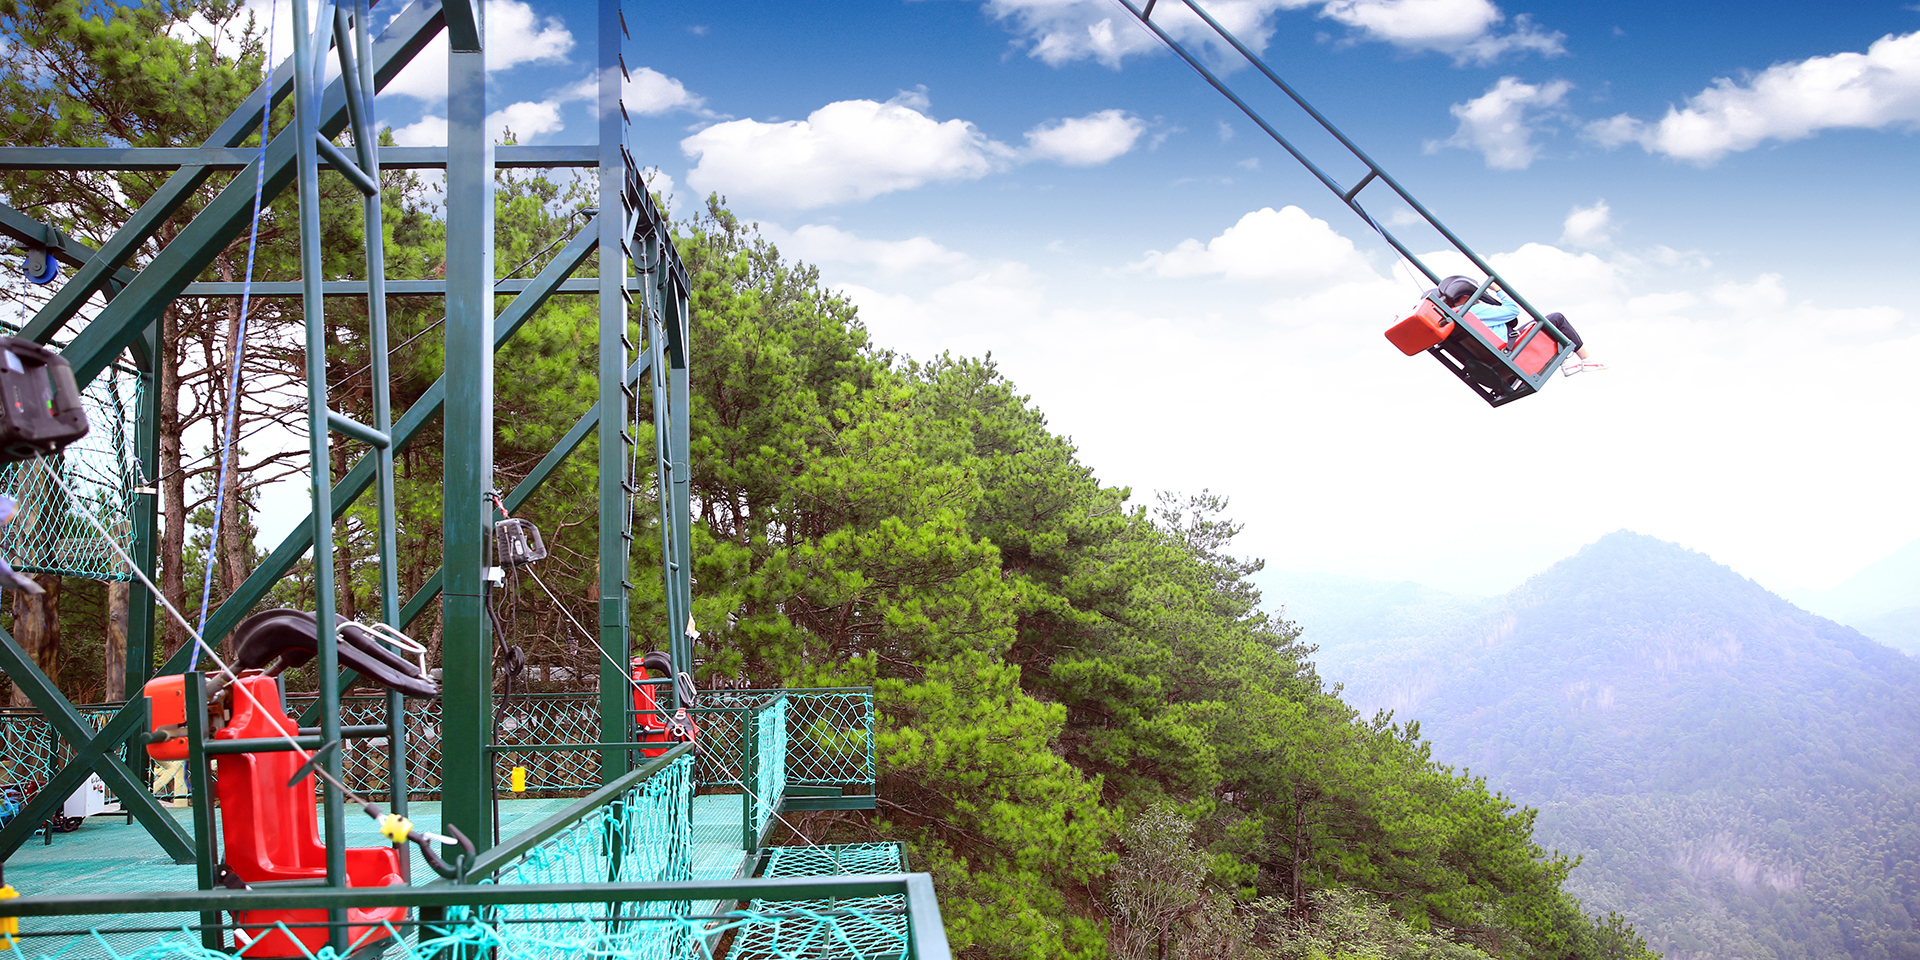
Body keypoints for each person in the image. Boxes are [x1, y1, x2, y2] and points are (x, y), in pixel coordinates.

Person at [1435, 275, 1605, 376]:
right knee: (1556, 319)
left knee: (1539, 328)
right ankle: (1586, 359)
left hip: (1495, 353)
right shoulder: (1473, 310)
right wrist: (1498, 290)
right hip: (1509, 349)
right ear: (1465, 297)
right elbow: (1512, 310)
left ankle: (1566, 362)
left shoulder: (1455, 317)